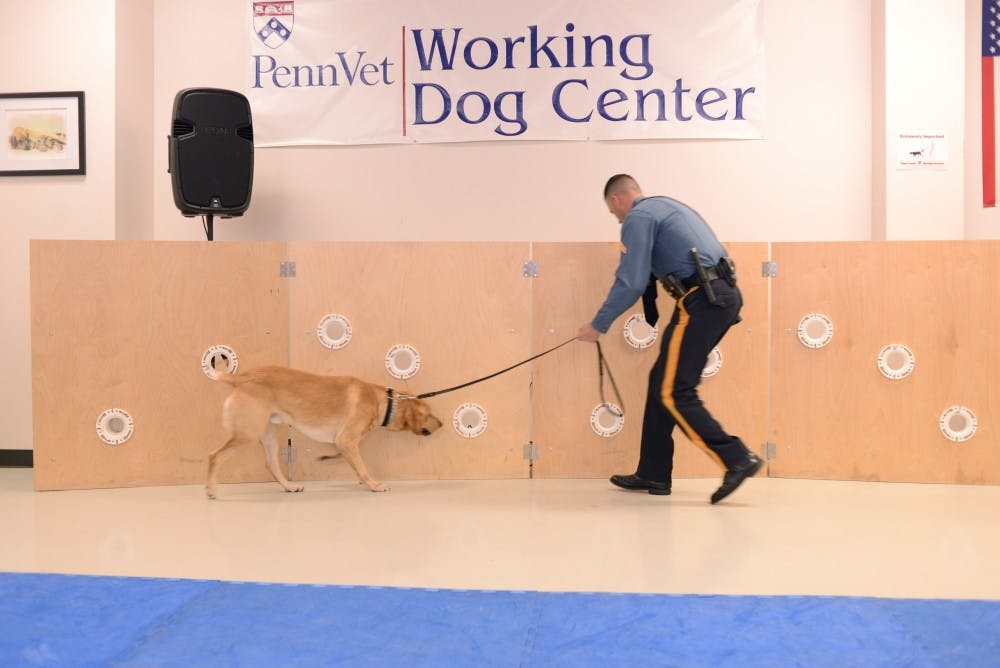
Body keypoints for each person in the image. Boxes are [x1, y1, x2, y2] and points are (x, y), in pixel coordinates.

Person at [577, 174, 762, 504]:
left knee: (674, 390)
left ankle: (736, 457)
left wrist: (598, 324)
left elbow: (631, 281)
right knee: (660, 382)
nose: (616, 218)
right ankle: (653, 472)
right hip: (714, 296)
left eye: (612, 211)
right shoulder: (667, 207)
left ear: (617, 200)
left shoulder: (637, 217)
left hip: (702, 299)